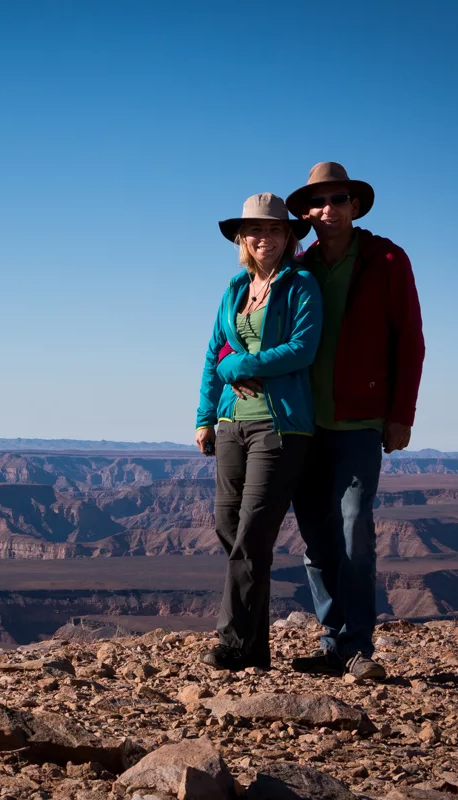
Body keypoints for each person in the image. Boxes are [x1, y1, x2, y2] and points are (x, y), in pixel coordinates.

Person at [283, 162, 426, 681]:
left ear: (355, 206)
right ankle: (332, 644)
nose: (329, 210)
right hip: (303, 425)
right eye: (318, 203)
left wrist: (401, 414)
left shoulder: (386, 259)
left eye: (338, 200)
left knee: (353, 533)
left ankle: (358, 646)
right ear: (304, 212)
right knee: (317, 541)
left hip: (361, 422)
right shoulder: (299, 266)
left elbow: (409, 339)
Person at [195, 192, 323, 671]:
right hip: (231, 424)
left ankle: (232, 643)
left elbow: (302, 348)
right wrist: (204, 417)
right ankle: (256, 649)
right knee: (228, 528)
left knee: (252, 534)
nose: (262, 237)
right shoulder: (234, 289)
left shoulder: (301, 286)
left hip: (280, 424)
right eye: (254, 230)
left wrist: (244, 363)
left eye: (272, 229)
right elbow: (213, 355)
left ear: (288, 235)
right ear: (242, 239)